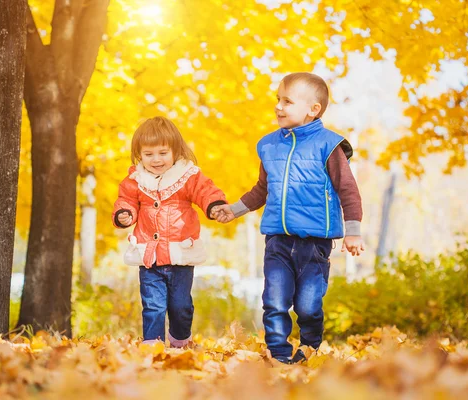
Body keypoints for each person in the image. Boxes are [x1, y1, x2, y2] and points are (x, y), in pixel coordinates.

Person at [213, 72, 365, 364]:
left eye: (287, 101)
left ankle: (309, 349)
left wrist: (353, 231)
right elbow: (261, 189)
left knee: (308, 306)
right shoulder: (269, 146)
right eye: (277, 100)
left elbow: (348, 190)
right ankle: (279, 354)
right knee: (274, 300)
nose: (279, 107)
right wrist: (234, 209)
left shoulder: (328, 146)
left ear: (313, 109)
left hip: (315, 243)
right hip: (278, 241)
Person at [112, 116, 227, 347]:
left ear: (175, 150)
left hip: (180, 255)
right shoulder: (136, 180)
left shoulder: (187, 176)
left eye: (163, 153)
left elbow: (205, 191)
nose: (156, 160)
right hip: (149, 256)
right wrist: (125, 214)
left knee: (180, 306)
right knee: (153, 305)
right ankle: (152, 345)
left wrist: (214, 205)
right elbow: (126, 201)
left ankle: (180, 340)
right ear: (139, 155)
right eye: (149, 154)